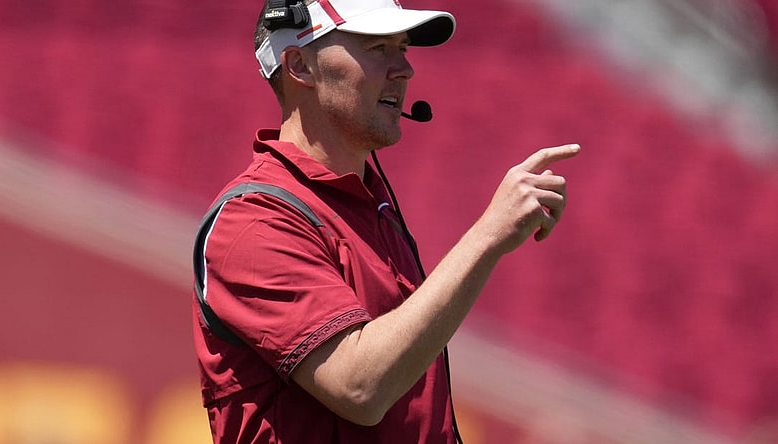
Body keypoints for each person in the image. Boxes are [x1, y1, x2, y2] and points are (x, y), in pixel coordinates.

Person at [192, 0, 580, 443]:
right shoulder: (255, 220)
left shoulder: (368, 203)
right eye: (377, 47)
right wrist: (489, 235)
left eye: (402, 47)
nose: (404, 69)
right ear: (300, 65)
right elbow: (359, 388)